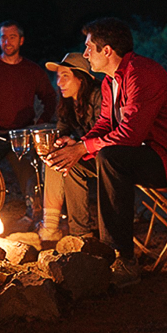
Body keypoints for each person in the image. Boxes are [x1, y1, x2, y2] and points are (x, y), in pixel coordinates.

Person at [47, 17, 167, 288]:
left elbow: (130, 135)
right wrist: (77, 147)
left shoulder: (141, 74)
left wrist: (83, 147)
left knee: (111, 158)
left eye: (89, 48)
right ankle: (85, 241)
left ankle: (121, 259)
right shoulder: (109, 81)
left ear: (107, 50)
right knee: (76, 161)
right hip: (151, 152)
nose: (85, 53)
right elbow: (104, 125)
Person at [0, 21, 57, 219]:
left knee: (31, 174)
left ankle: (36, 216)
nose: (7, 41)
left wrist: (42, 121)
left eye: (12, 37)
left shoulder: (32, 70)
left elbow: (49, 97)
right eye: (3, 37)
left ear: (21, 40)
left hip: (22, 133)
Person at [38, 52, 102, 243]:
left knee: (67, 160)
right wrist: (59, 141)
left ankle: (80, 233)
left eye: (65, 76)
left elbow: (105, 132)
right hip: (86, 153)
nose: (59, 82)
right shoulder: (67, 102)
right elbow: (62, 128)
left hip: (107, 155)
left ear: (81, 78)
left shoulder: (99, 96)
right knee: (56, 157)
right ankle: (51, 227)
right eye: (58, 77)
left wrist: (77, 143)